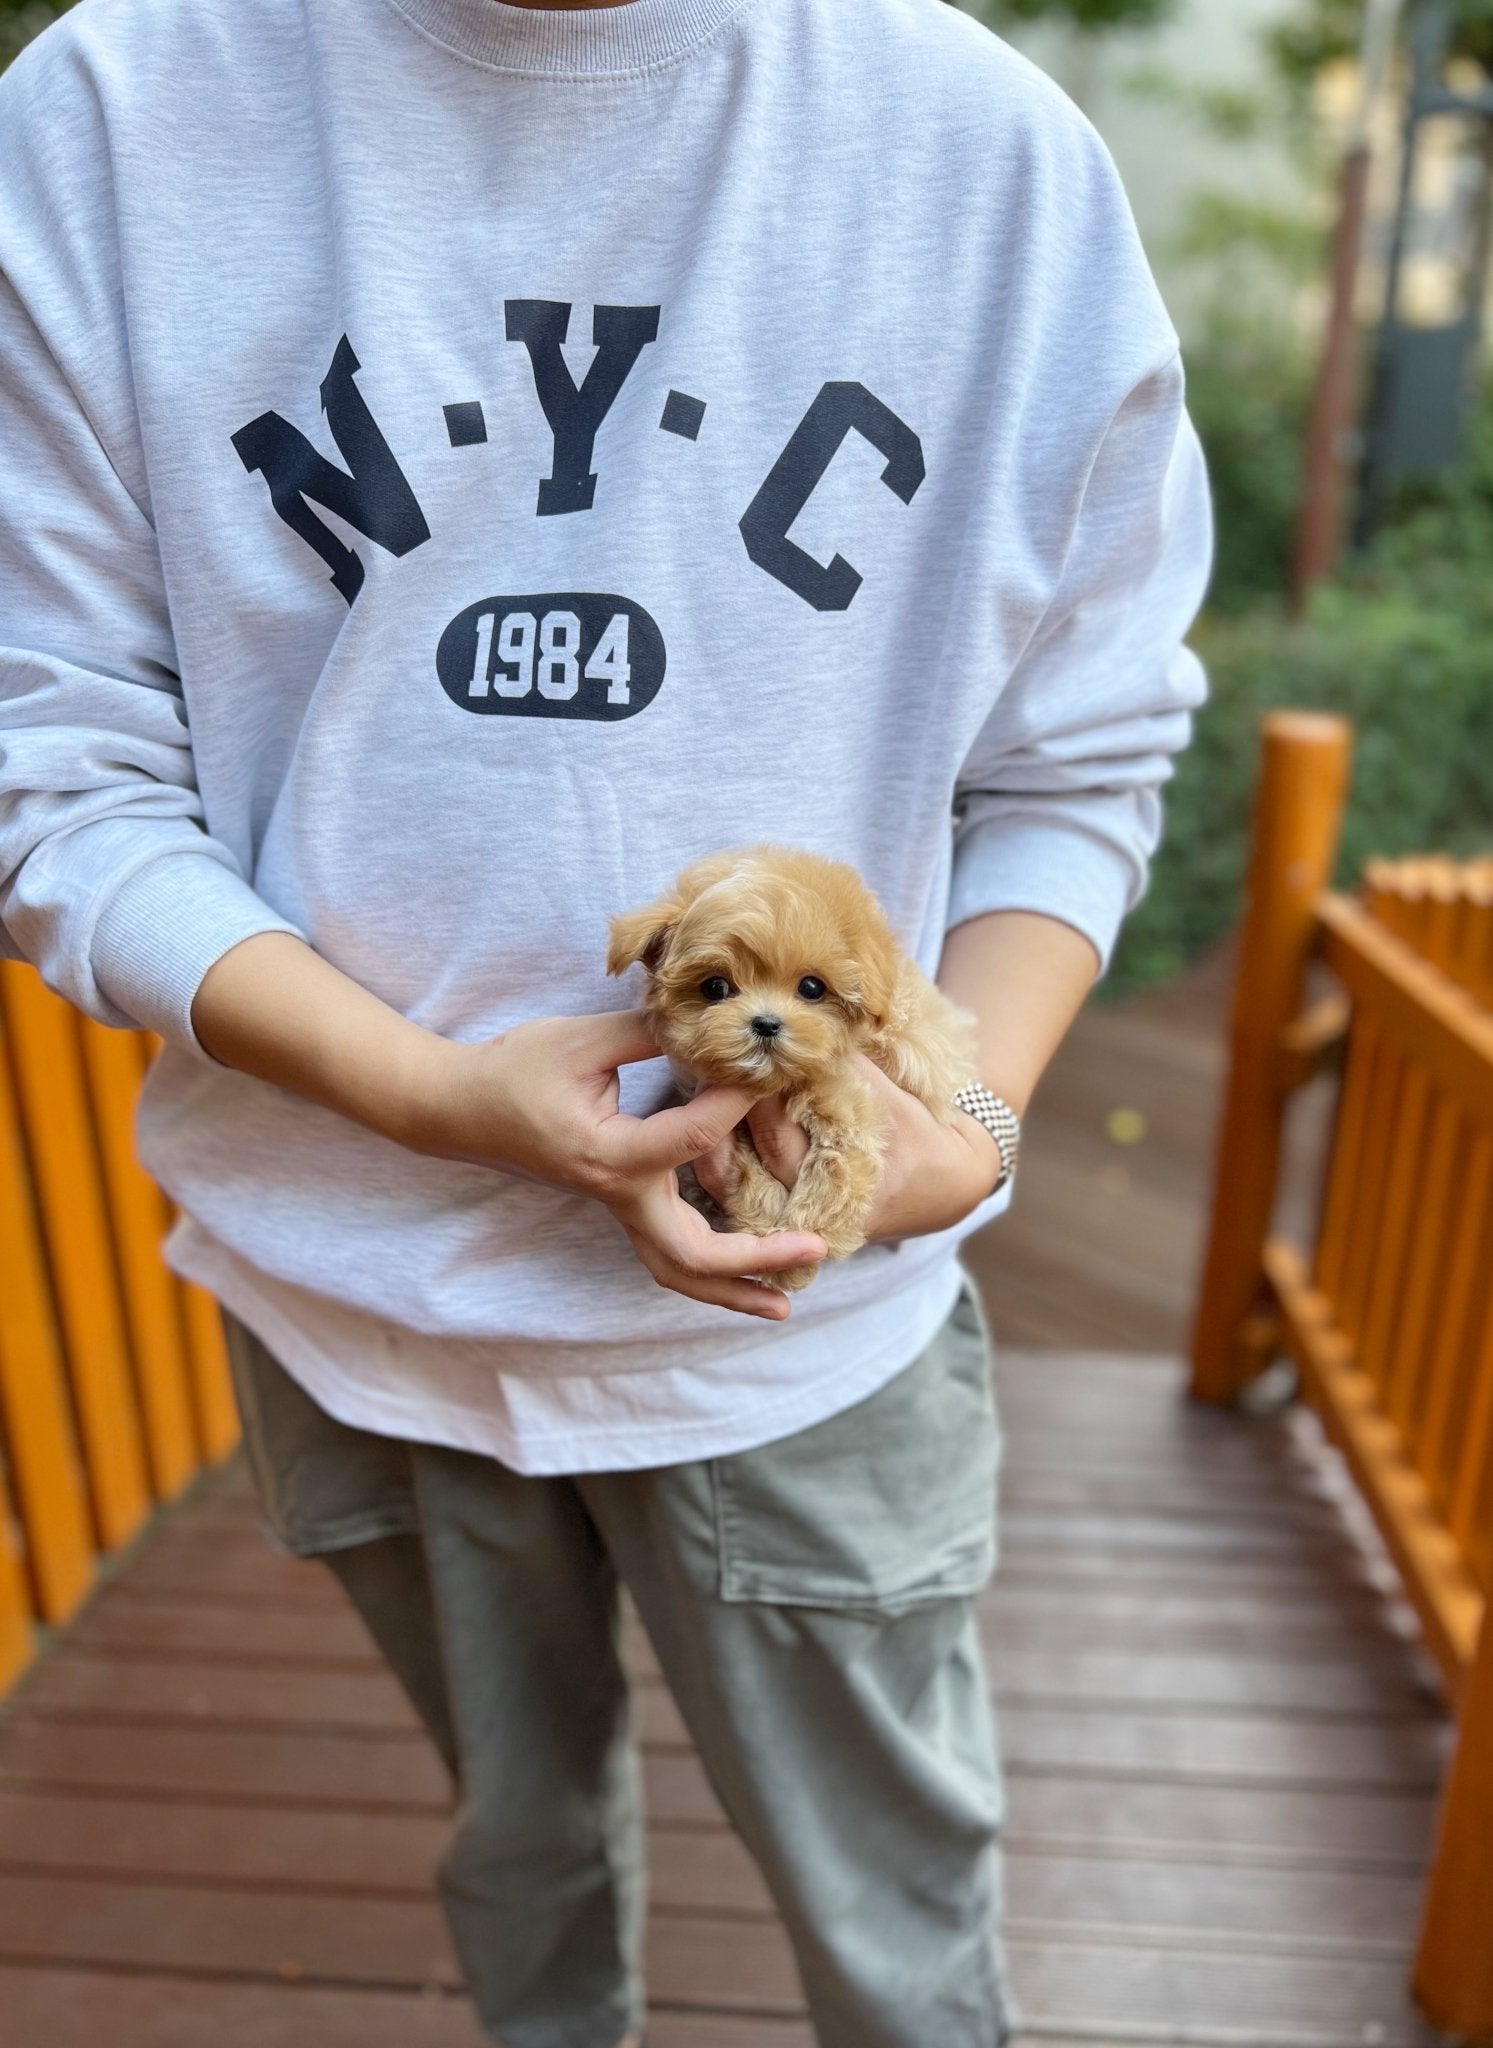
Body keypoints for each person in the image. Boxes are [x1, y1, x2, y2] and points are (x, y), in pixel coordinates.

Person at [0, 0, 1212, 2040]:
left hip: (811, 1329)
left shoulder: (989, 157)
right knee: (518, 1859)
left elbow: (1073, 761)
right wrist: (434, 1095)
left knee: (898, 1918)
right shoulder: (114, 115)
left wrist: (955, 1130)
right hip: (359, 1293)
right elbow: (59, 756)